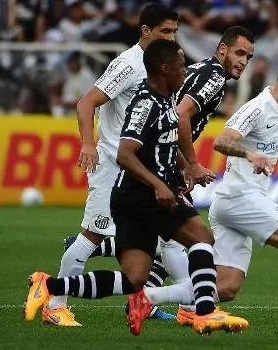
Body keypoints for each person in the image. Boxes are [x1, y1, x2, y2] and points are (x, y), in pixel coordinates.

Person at [128, 53, 278, 341]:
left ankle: (148, 297)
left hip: (233, 204)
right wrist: (249, 152)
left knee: (226, 285)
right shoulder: (258, 107)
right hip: (240, 196)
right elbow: (223, 141)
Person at [23, 39, 249, 337]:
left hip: (145, 192)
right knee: (201, 238)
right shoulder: (146, 104)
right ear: (164, 69)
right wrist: (159, 184)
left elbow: (167, 144)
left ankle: (49, 285)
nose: (186, 72)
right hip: (142, 194)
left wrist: (184, 169)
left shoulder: (165, 99)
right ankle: (203, 313)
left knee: (134, 279)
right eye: (182, 66)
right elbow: (124, 153)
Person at [44, 4, 179, 327]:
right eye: (165, 32)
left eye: (175, 32)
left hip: (140, 169)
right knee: (90, 236)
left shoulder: (160, 66)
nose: (173, 38)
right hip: (114, 167)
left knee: (160, 238)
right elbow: (86, 102)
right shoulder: (129, 64)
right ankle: (54, 303)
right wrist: (89, 144)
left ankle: (143, 302)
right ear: (145, 31)